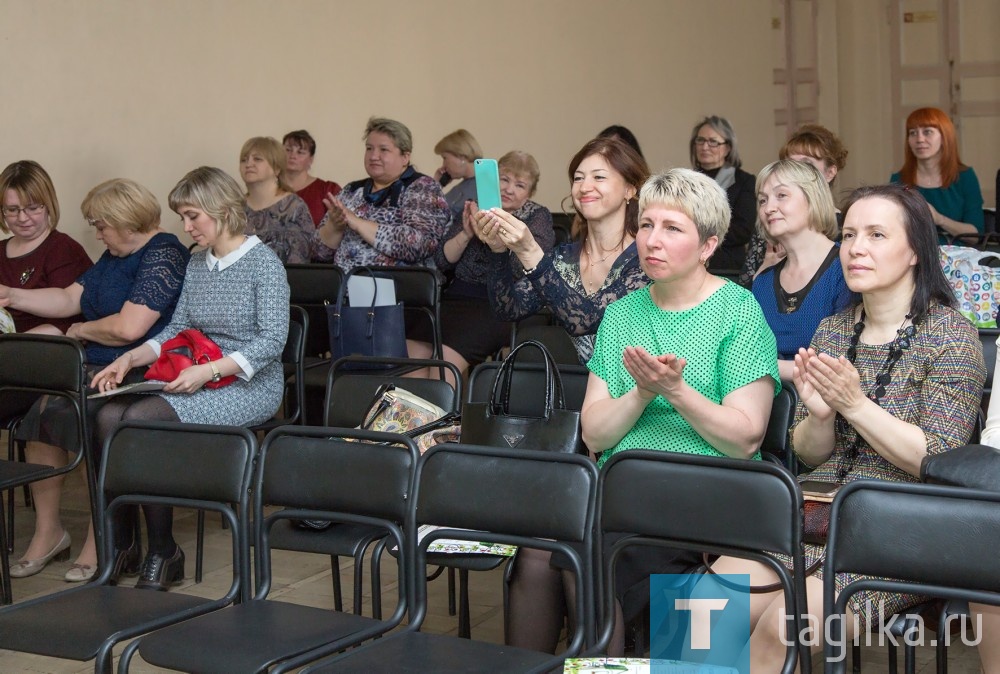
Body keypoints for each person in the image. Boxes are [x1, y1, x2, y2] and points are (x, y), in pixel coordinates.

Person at [505, 168, 780, 655]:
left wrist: (675, 391)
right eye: (647, 225)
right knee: (536, 552)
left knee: (598, 550)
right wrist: (641, 393)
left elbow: (745, 438)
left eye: (673, 229)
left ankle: (611, 661)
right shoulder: (622, 312)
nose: (652, 240)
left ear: (708, 246)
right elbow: (594, 433)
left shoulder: (738, 311)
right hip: (625, 487)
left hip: (705, 490)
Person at [711, 183, 985, 670]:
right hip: (814, 515)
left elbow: (936, 458)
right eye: (852, 234)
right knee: (699, 606)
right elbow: (811, 451)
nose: (856, 248)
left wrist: (855, 405)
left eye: (877, 235)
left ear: (915, 252)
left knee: (783, 625)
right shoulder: (834, 330)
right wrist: (820, 415)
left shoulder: (951, 334)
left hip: (898, 533)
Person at [91, 166, 289, 591]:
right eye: (182, 216)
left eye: (192, 216)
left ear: (221, 210)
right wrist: (130, 358)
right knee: (108, 417)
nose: (186, 226)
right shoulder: (199, 262)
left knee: (141, 418)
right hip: (199, 373)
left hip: (247, 384)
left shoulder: (264, 263)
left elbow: (272, 341)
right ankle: (123, 543)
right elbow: (175, 329)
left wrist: (211, 370)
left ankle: (163, 550)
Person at [0, 178, 189, 582]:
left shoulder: (164, 254)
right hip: (96, 364)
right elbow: (70, 298)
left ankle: (103, 539)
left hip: (138, 367)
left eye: (101, 225)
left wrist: (79, 333)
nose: (97, 233)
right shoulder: (114, 254)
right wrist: (11, 296)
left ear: (126, 222)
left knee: (83, 420)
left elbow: (128, 328)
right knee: (44, 414)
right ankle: (49, 532)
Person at [473, 136, 650, 365]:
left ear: (629, 189)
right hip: (586, 391)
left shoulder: (647, 258)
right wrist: (497, 251)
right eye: (578, 178)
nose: (585, 187)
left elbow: (584, 321)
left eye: (599, 177)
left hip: (639, 392)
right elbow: (508, 308)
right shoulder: (565, 259)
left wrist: (529, 251)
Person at [408, 151, 554, 379]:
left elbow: (524, 269)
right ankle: (416, 415)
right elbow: (442, 260)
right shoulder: (475, 207)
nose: (508, 189)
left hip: (498, 305)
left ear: (530, 193)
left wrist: (498, 238)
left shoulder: (537, 216)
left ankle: (445, 414)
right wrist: (467, 233)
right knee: (413, 356)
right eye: (504, 180)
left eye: (519, 185)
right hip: (456, 297)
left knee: (443, 364)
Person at [752, 160, 853, 382]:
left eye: (781, 195)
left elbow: (840, 366)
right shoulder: (762, 283)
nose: (769, 208)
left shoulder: (847, 270)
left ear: (812, 199)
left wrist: (758, 365)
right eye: (762, 200)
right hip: (769, 408)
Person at [313, 117, 451, 269]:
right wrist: (334, 227)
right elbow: (318, 254)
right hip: (343, 287)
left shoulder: (423, 187)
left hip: (399, 288)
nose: (373, 156)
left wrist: (358, 223)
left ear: (405, 157)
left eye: (383, 149)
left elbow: (420, 245)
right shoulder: (352, 190)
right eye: (369, 148)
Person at [740, 124, 850, 285]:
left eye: (806, 164)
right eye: (790, 164)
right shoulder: (772, 223)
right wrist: (767, 269)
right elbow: (748, 287)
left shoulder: (847, 228)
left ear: (830, 172)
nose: (770, 208)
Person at [0, 160, 92, 333]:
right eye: (12, 210)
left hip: (40, 351)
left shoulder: (64, 250)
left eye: (32, 208)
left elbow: (70, 324)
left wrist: (10, 347)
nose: (22, 218)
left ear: (48, 205)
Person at [890, 107, 984, 242]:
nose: (920, 139)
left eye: (927, 132)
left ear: (944, 137)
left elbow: (976, 236)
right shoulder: (898, 179)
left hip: (958, 259)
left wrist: (939, 219)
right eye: (913, 133)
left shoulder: (965, 177)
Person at [689, 115, 756, 272]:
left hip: (725, 265)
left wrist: (699, 234)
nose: (705, 147)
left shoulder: (743, 181)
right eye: (700, 140)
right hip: (690, 263)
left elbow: (743, 229)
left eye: (713, 142)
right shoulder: (687, 180)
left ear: (728, 147)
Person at [240, 136, 315, 263]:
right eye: (243, 160)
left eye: (257, 159)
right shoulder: (234, 208)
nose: (249, 164)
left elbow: (300, 262)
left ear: (276, 168)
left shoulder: (294, 207)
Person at [282, 129, 342, 227]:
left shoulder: (327, 189)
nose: (292, 156)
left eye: (300, 152)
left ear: (311, 159)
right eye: (288, 150)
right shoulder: (269, 188)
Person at [433, 129, 483, 225]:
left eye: (445, 158)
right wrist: (436, 184)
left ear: (461, 156)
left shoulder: (483, 185)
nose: (443, 165)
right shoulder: (460, 188)